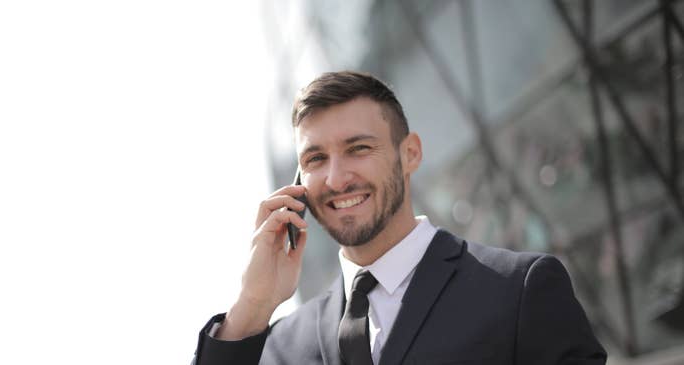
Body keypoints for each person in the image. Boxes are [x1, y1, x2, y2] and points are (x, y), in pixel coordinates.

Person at [192, 71, 606, 364]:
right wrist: (251, 307)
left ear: (410, 153)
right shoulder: (278, 345)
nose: (336, 179)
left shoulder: (519, 291)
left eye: (359, 149)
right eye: (316, 158)